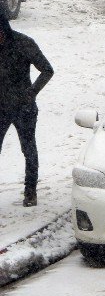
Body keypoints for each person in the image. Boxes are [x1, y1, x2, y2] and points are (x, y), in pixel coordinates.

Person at [0, 12, 54, 207]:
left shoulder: (24, 43)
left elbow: (47, 69)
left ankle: (30, 192)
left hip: (24, 108)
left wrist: (31, 93)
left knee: (28, 149)